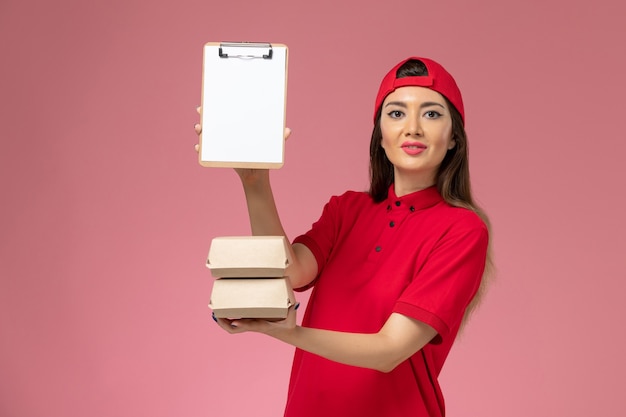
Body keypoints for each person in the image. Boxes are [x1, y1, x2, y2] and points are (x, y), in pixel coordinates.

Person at [195, 56, 493, 417]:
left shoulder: (462, 230)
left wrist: (284, 332)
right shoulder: (346, 210)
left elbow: (389, 350)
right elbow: (289, 272)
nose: (412, 127)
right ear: (380, 137)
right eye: (396, 113)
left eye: (431, 114)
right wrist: (255, 181)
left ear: (453, 140)